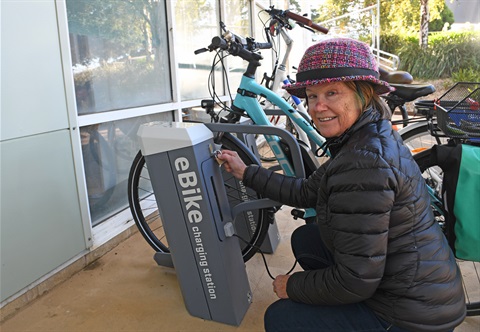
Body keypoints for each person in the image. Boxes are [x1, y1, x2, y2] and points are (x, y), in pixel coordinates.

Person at [218, 37, 466, 332]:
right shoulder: (367, 136)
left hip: (410, 318)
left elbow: (355, 280)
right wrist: (247, 172)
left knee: (281, 317)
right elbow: (307, 191)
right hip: (418, 290)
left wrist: (294, 286)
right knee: (307, 239)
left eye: (332, 92)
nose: (318, 107)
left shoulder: (364, 163)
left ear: (363, 95)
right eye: (311, 96)